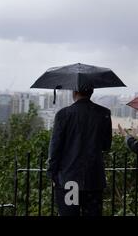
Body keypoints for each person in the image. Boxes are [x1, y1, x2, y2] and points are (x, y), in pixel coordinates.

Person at [47, 88, 112, 216]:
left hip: (70, 179)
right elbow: (106, 145)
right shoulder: (104, 113)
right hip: (94, 179)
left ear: (74, 92)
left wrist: (52, 174)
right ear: (92, 91)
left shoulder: (63, 114)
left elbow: (55, 148)